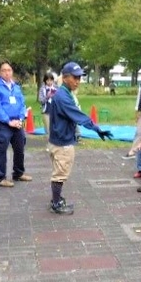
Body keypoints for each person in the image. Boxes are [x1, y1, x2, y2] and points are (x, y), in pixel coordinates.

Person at [47, 62, 113, 214]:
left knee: (59, 172)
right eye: (75, 78)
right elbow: (78, 116)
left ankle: (57, 199)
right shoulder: (63, 97)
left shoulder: (64, 93)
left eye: (79, 78)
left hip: (58, 140)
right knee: (60, 174)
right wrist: (96, 129)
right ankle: (56, 204)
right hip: (62, 143)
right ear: (65, 78)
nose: (78, 81)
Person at [0, 60, 32, 187]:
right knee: (2, 149)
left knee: (20, 147)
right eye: (4, 70)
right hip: (4, 123)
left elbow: (22, 104)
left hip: (17, 122)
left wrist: (21, 118)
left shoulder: (16, 87)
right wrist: (8, 121)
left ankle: (18, 173)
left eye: (9, 70)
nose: (7, 73)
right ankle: (0, 177)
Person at [38, 72, 57, 137]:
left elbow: (60, 98)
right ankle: (49, 140)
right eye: (48, 80)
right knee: (48, 129)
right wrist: (47, 97)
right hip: (46, 111)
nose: (49, 82)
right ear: (45, 81)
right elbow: (40, 100)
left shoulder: (56, 88)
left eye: (51, 80)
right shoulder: (42, 89)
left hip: (55, 111)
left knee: (55, 128)